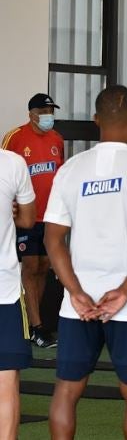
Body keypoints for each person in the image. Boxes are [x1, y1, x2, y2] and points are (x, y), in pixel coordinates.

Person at [44, 85, 127, 440]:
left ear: (96, 120)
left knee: (67, 390)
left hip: (78, 305)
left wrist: (76, 292)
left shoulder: (70, 170)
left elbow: (53, 240)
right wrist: (123, 292)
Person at [2, 93, 64, 348]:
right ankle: (35, 327)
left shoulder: (57, 139)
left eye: (51, 111)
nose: (48, 116)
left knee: (43, 267)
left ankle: (36, 322)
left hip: (50, 216)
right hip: (26, 218)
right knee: (29, 267)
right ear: (31, 114)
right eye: (44, 111)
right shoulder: (15, 137)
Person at [0, 149, 36, 440]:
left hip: (6, 289)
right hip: (6, 291)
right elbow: (27, 220)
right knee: (6, 379)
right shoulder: (13, 163)